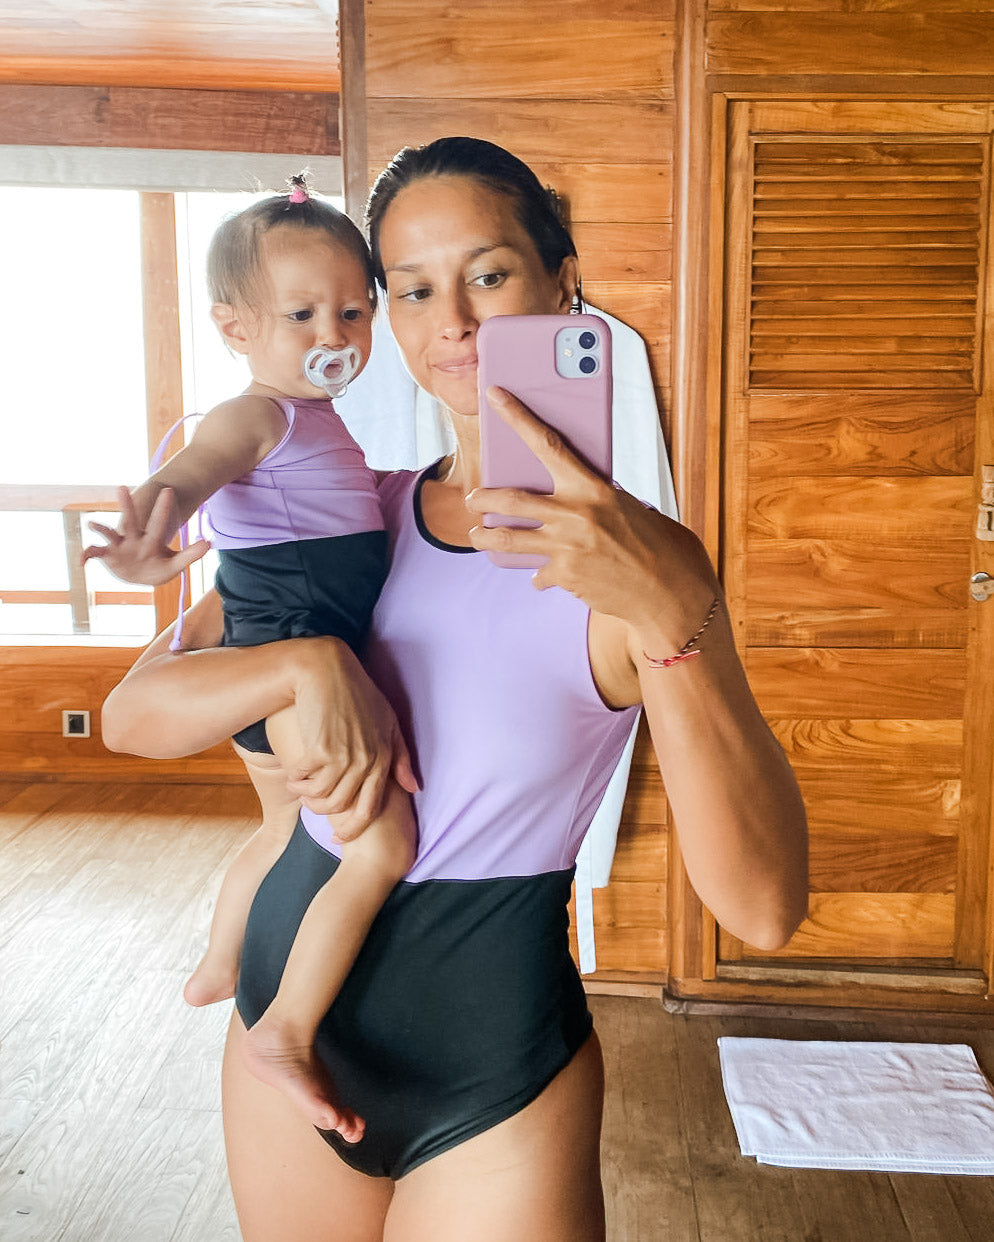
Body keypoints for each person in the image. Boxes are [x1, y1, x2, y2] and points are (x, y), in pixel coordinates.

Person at [101, 136, 808, 1242]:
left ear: (560, 280)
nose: (455, 325)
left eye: (488, 274)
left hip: (495, 1067)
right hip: (286, 1025)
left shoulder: (640, 566)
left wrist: (679, 619)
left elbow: (761, 911)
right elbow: (133, 716)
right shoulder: (347, 519)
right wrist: (306, 661)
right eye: (413, 289)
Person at [85, 176, 419, 1142]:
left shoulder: (314, 418)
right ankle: (288, 1029)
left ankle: (222, 963)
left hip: (284, 672)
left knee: (283, 830)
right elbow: (191, 470)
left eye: (355, 311)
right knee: (382, 842)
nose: (339, 332)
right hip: (282, 669)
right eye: (305, 312)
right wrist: (152, 529)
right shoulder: (257, 415)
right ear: (235, 326)